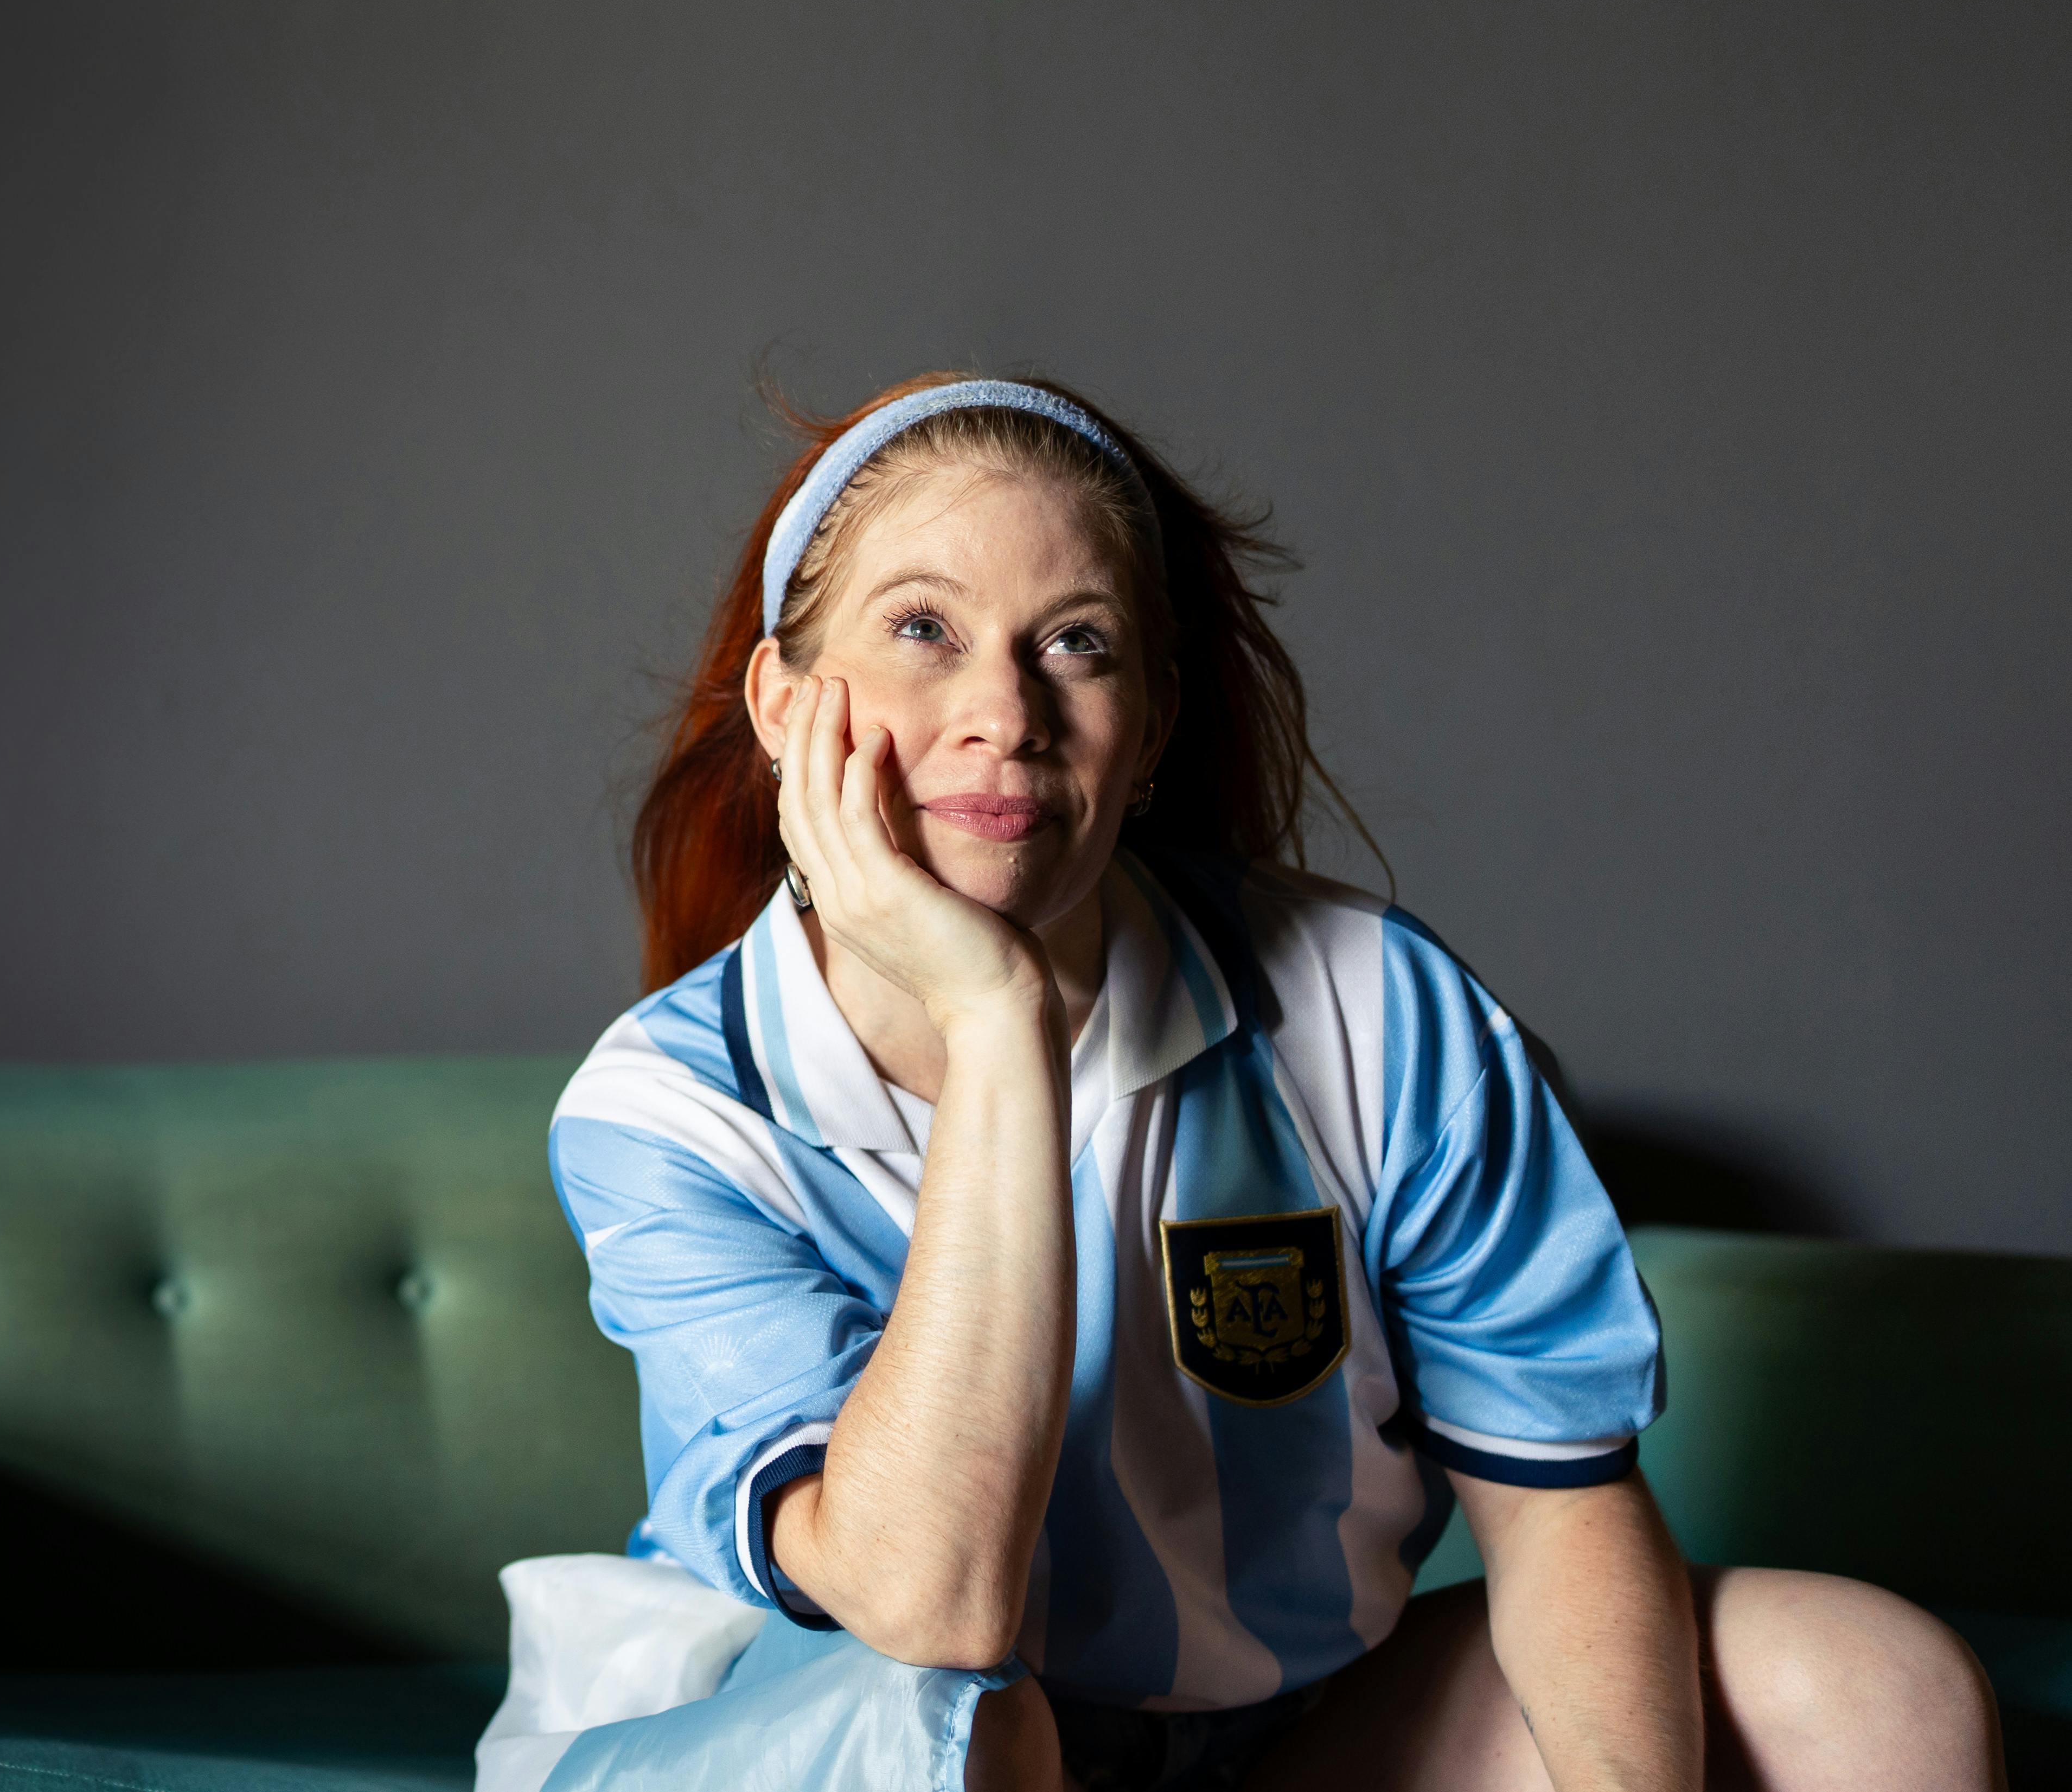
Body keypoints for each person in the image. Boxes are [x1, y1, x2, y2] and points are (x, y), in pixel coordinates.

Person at [493, 375, 2002, 1791]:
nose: (1004, 711)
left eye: (1073, 642)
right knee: (952, 1713)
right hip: (837, 1730)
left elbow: (1558, 1511)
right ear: (783, 707)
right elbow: (928, 1600)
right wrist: (998, 1017)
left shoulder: (1374, 1008)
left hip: (1276, 1735)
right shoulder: (671, 1108)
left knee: (1876, 1688)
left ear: (1145, 725)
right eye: (921, 630)